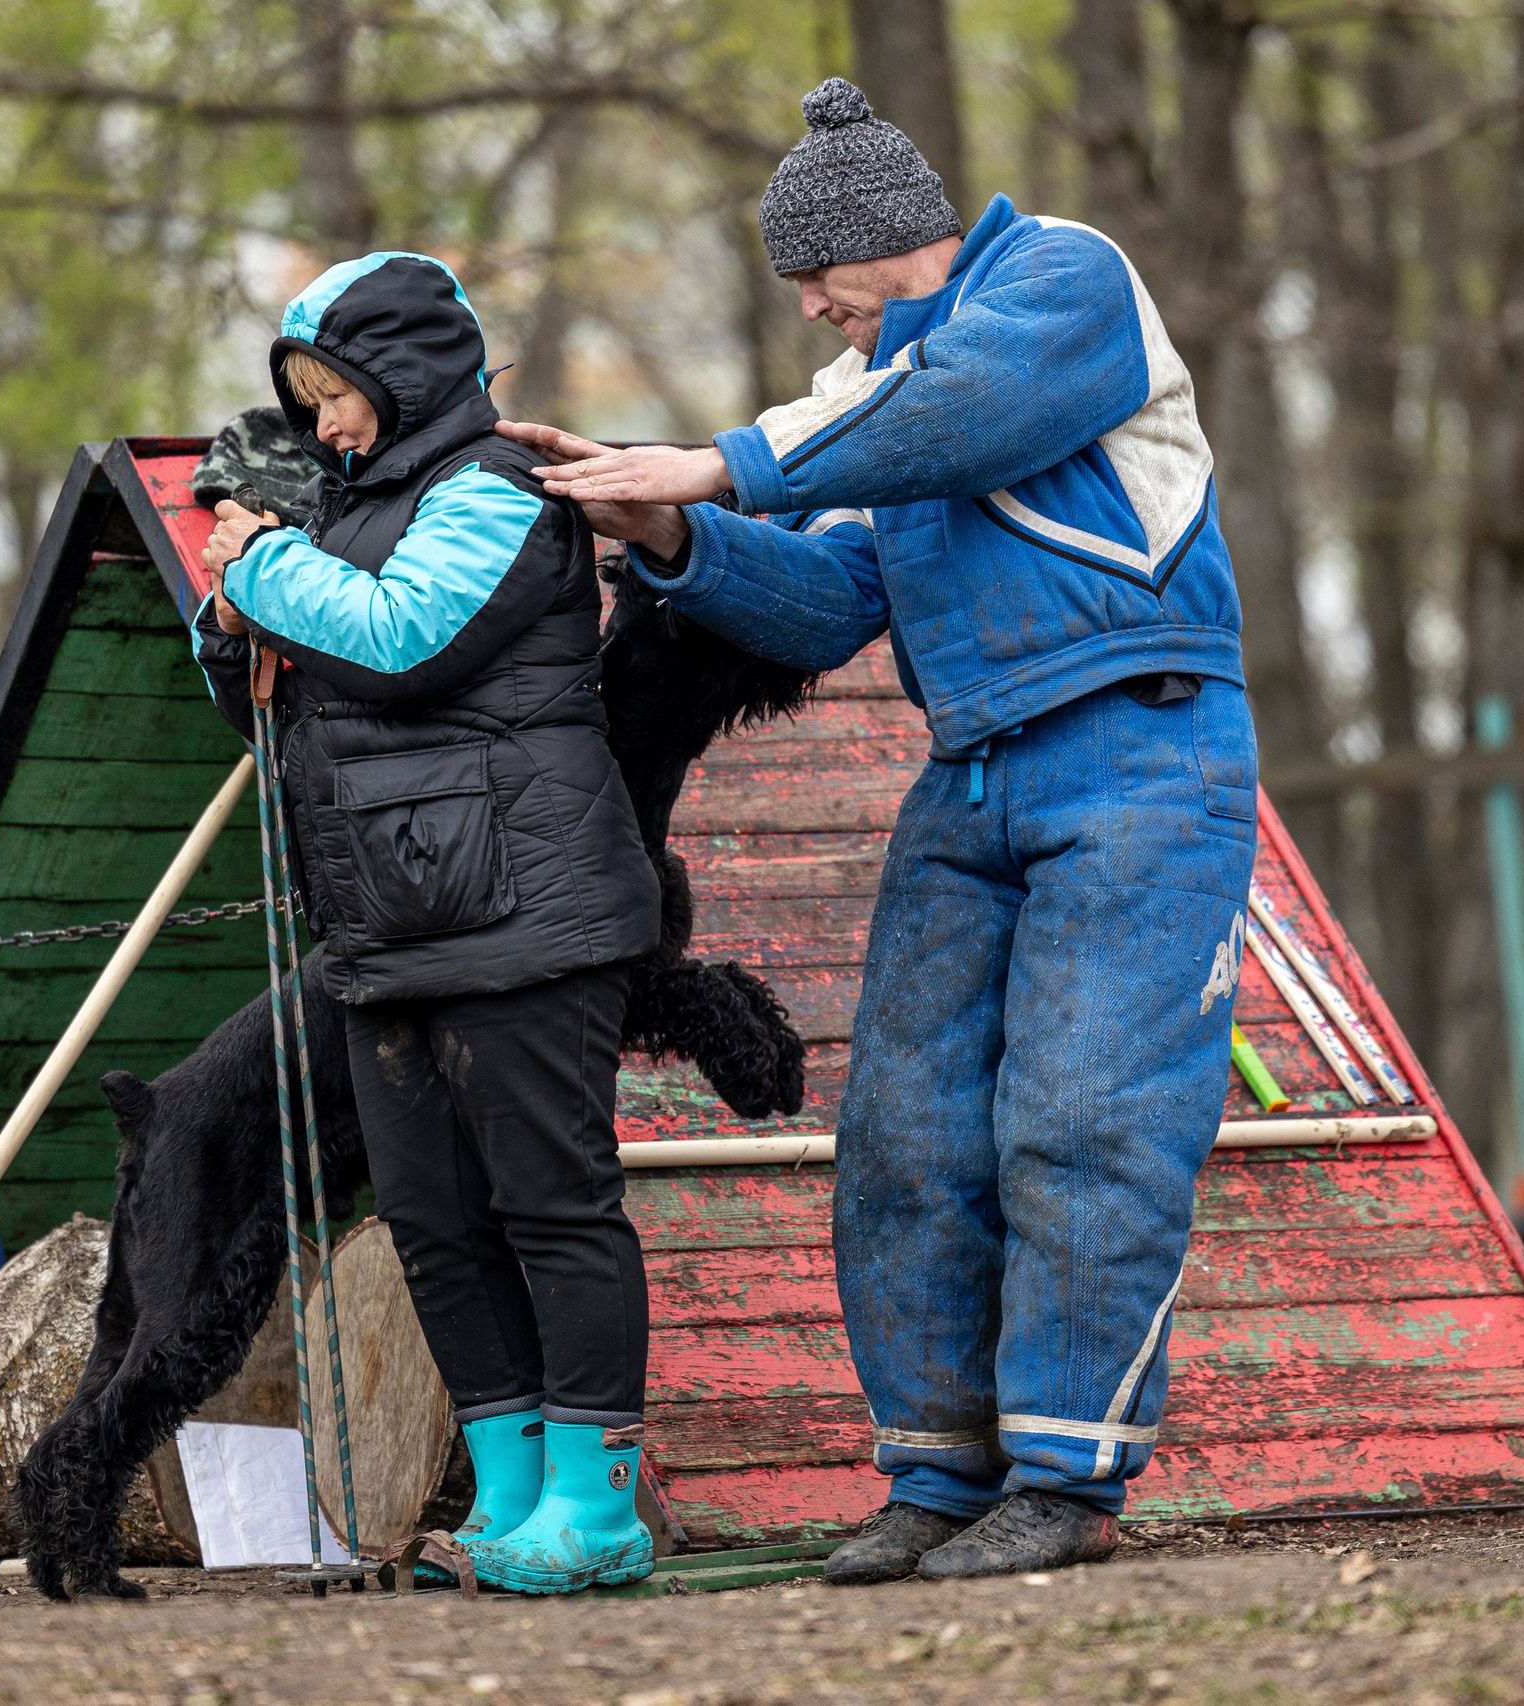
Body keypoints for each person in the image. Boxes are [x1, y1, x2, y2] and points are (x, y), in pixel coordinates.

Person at [499, 79, 1259, 1584]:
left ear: (883, 238)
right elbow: (826, 601)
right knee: (903, 1128)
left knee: (1086, 1117)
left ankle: (1064, 1475)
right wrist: (671, 536)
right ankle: (937, 1469)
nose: (806, 306)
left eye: (815, 275)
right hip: (973, 765)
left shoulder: (1060, 277)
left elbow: (964, 407)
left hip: (1144, 748)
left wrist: (719, 465)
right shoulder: (869, 413)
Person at [194, 251, 663, 1594]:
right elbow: (282, 705)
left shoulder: (494, 494)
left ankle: (599, 1503)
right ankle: (515, 1495)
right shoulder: (339, 511)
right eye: (308, 400)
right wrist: (231, 624)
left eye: (336, 395)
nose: (322, 425)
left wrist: (264, 560)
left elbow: (405, 640)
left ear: (403, 376)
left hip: (528, 916)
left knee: (554, 1207)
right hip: (387, 929)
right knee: (436, 1222)